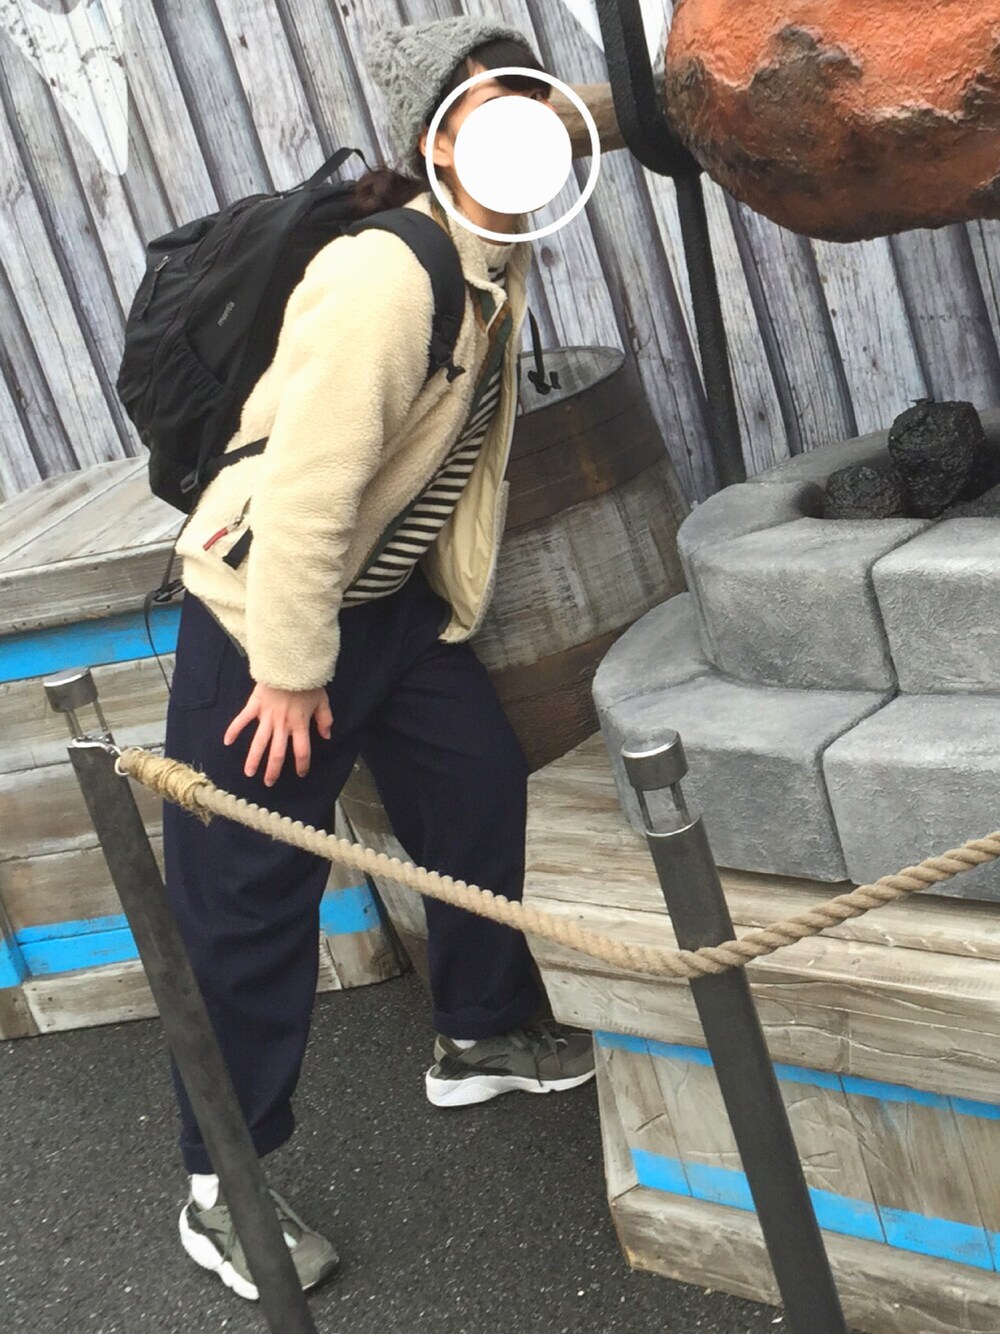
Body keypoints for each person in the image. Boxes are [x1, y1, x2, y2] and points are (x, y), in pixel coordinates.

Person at [162, 13, 595, 1301]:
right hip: (269, 624)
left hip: (390, 613)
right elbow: (306, 493)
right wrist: (290, 670)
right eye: (490, 109)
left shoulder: (492, 255)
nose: (525, 131)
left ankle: (477, 1035)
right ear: (437, 141)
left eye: (531, 103)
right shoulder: (388, 277)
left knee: (476, 796)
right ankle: (222, 1186)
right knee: (251, 899)